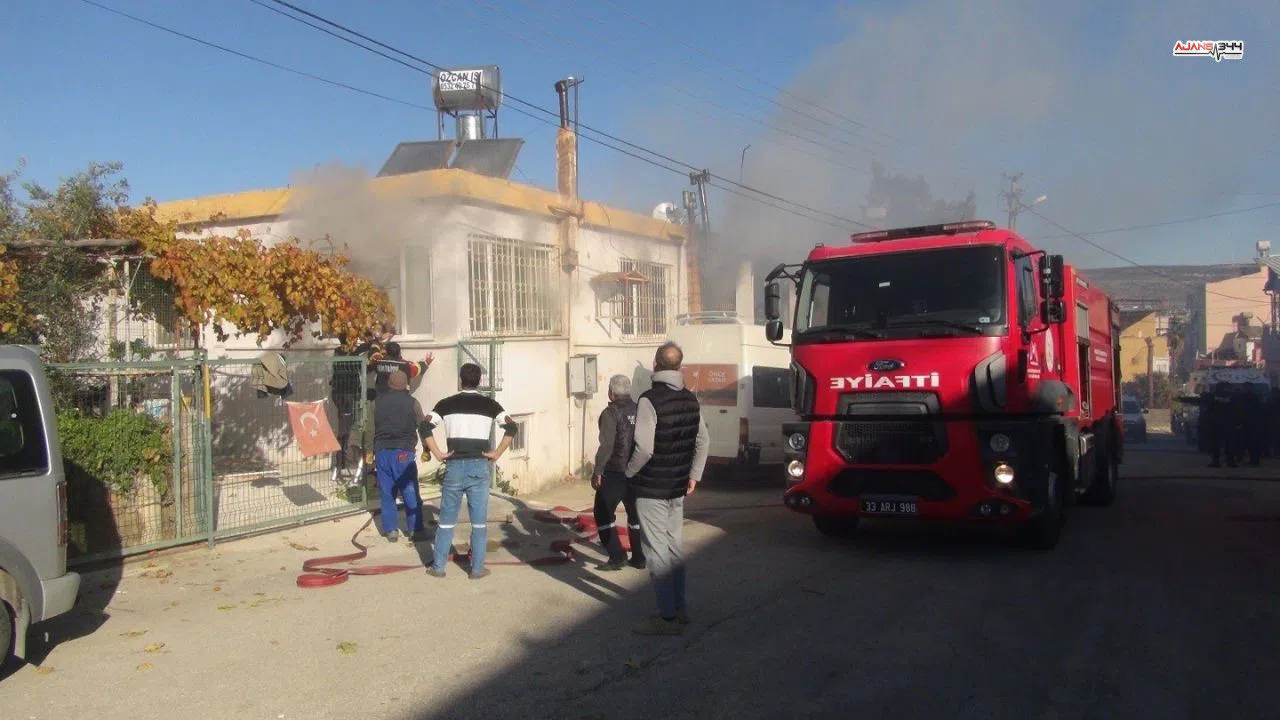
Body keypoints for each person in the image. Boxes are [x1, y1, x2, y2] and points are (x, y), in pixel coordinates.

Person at [625, 341, 710, 636]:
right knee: (674, 548)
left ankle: (667, 618)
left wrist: (629, 473)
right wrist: (694, 476)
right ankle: (679, 609)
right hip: (676, 487)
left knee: (656, 552)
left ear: (656, 364)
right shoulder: (690, 398)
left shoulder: (649, 400)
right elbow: (703, 442)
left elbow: (644, 449)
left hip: (651, 488)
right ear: (679, 366)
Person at [422, 363, 517, 580]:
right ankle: (477, 569)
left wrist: (437, 453)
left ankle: (438, 567)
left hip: (454, 465)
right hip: (478, 466)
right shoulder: (491, 405)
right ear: (480, 381)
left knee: (446, 520)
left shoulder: (445, 404)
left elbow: (424, 426)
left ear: (460, 380)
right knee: (479, 522)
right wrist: (496, 453)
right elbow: (512, 427)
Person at [591, 375, 646, 572]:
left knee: (602, 513)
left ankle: (617, 555)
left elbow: (607, 445)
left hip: (614, 472)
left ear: (612, 392)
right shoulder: (640, 409)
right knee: (636, 515)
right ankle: (639, 557)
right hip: (637, 471)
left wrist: (598, 471)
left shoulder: (610, 413)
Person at [372, 370, 429, 542]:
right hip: (404, 452)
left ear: (389, 384)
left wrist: (368, 451)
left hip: (382, 451)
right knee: (409, 490)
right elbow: (423, 427)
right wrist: (427, 448)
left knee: (387, 491)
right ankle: (415, 529)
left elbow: (369, 428)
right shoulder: (413, 403)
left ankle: (391, 531)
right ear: (406, 385)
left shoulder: (377, 403)